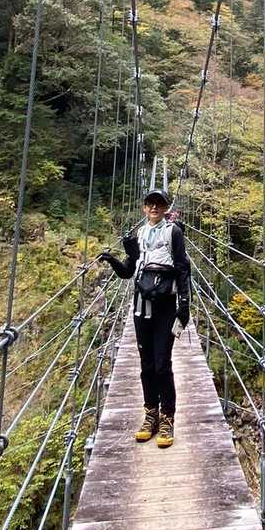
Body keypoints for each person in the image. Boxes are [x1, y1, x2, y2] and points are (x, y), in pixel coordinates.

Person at [98, 189, 190, 448]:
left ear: (165, 208)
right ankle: (150, 415)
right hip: (141, 306)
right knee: (146, 365)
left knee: (162, 364)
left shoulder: (174, 233)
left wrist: (185, 304)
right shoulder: (139, 234)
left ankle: (167, 418)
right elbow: (129, 272)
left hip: (165, 308)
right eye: (150, 203)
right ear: (144, 208)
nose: (154, 208)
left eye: (159, 204)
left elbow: (183, 269)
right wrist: (113, 260)